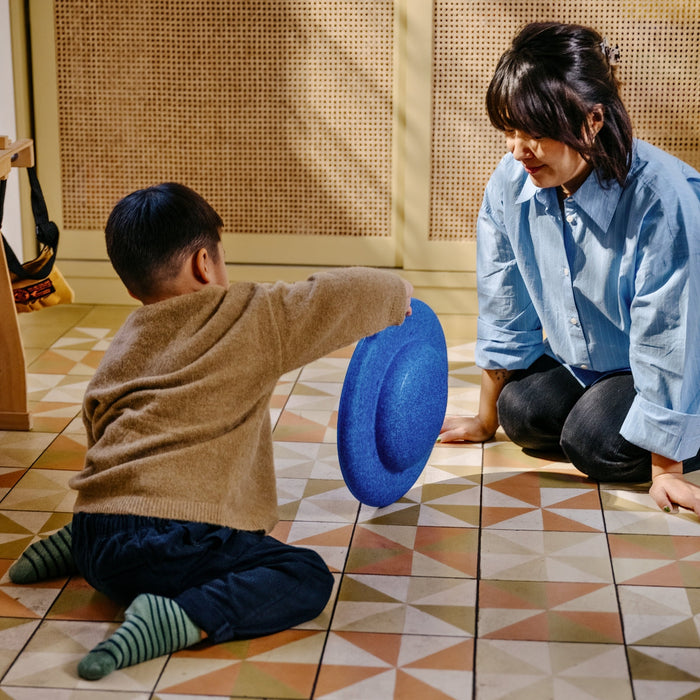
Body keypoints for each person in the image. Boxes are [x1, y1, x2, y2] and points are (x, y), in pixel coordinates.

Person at [9, 182, 413, 680]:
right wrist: (401, 297)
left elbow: (100, 428)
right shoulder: (251, 316)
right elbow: (354, 291)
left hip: (99, 534)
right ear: (205, 263)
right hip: (170, 548)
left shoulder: (125, 342)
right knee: (302, 575)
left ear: (132, 284)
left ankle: (74, 544)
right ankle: (182, 619)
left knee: (125, 495)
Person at [439, 22, 700, 516]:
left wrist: (667, 471)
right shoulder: (511, 182)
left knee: (592, 441)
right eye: (511, 130)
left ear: (592, 120)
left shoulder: (663, 201)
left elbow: (671, 337)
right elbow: (505, 303)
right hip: (600, 364)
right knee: (523, 413)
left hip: (688, 363)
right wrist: (484, 419)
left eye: (535, 133)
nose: (518, 150)